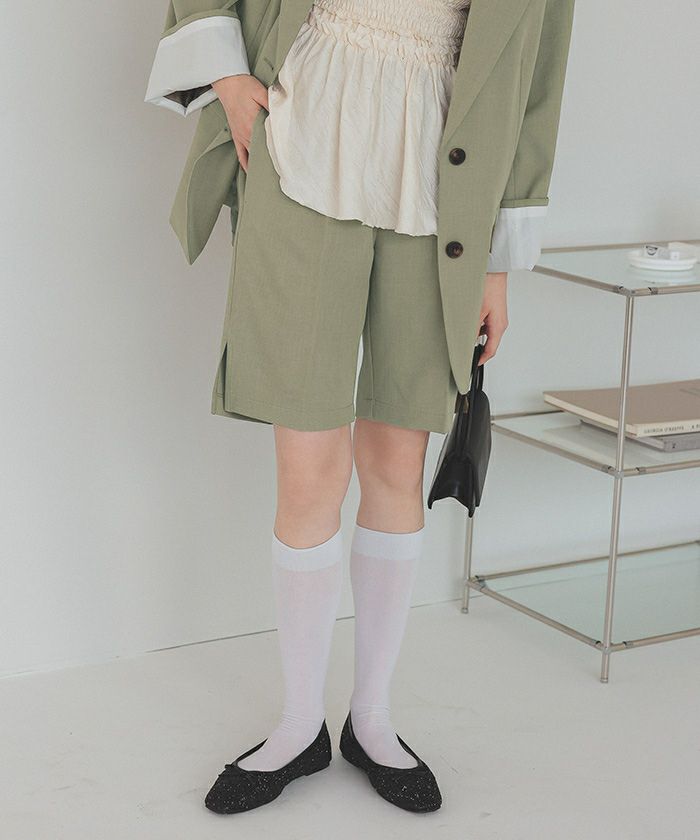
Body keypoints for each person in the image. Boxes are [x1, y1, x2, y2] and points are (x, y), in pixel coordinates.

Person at [145, 0, 575, 814]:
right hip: (304, 127)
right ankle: (299, 723)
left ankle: (371, 719)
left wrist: (497, 262)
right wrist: (229, 78)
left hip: (444, 171)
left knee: (396, 463)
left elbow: (539, 76)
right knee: (309, 465)